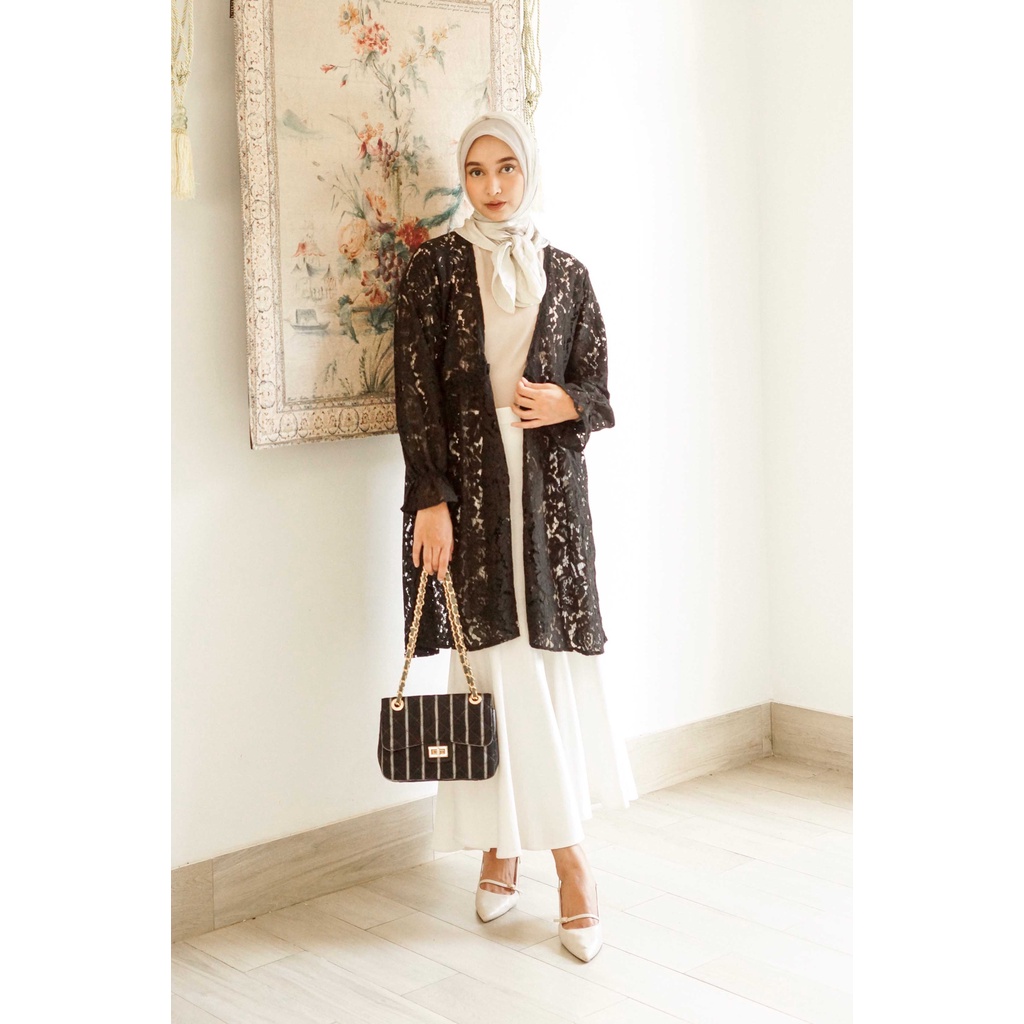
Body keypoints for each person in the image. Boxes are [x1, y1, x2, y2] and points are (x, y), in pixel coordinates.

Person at [393, 111, 636, 963]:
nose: (493, 186)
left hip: (548, 496)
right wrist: (430, 499)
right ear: (462, 177)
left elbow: (597, 389)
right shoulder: (432, 270)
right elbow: (415, 392)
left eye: (508, 169)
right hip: (467, 494)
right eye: (477, 170)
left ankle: (534, 857)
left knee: (536, 667)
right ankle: (551, 859)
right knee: (493, 671)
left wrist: (566, 403)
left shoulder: (565, 272)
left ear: (529, 173)